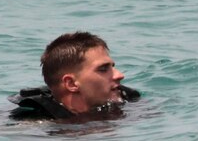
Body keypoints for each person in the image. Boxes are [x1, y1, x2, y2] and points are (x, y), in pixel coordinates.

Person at [9, 32, 140, 120]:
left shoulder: (129, 102)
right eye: (103, 69)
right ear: (71, 84)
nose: (119, 75)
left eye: (112, 66)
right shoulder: (33, 127)